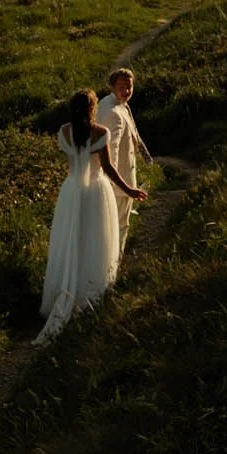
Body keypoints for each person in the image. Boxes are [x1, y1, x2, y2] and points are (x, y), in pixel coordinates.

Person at [36, 87, 147, 344]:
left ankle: (64, 290)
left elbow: (72, 160)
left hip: (71, 190)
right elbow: (107, 168)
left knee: (70, 240)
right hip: (96, 191)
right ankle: (91, 293)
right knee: (95, 239)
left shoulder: (64, 132)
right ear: (92, 108)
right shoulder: (100, 133)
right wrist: (129, 189)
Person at [97, 67, 148, 240]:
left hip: (117, 183)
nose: (126, 91)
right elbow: (112, 151)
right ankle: (114, 265)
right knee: (119, 229)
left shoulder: (112, 104)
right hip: (120, 185)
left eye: (130, 87)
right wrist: (121, 186)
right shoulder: (114, 113)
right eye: (122, 87)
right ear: (112, 87)